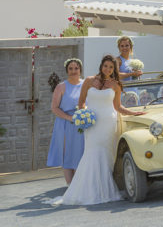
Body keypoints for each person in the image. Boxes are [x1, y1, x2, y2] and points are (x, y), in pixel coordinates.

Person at [46, 55, 145, 206]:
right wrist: (85, 114)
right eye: (106, 66)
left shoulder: (116, 85)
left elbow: (118, 107)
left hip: (108, 123)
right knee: (91, 153)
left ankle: (105, 189)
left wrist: (134, 113)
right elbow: (81, 102)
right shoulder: (89, 81)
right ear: (101, 66)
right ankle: (88, 190)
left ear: (114, 69)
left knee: (106, 155)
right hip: (92, 123)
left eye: (111, 67)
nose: (108, 69)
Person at [47, 58, 85, 185]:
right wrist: (70, 118)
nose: (74, 71)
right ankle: (71, 186)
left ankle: (80, 185)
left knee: (80, 153)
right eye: (70, 68)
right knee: (67, 154)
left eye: (76, 68)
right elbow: (54, 108)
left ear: (80, 70)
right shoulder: (61, 86)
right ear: (67, 70)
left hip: (82, 125)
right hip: (65, 124)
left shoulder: (86, 85)